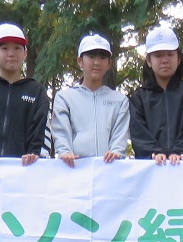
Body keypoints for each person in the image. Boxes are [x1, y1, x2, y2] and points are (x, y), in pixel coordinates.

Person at [0, 22, 47, 164]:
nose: (11, 54)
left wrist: (35, 154)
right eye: (4, 48)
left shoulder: (37, 91)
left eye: (17, 48)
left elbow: (41, 129)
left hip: (25, 171)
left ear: (25, 53)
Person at [51, 33, 130, 165]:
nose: (97, 62)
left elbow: (120, 138)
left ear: (109, 63)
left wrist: (116, 152)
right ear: (80, 61)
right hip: (74, 168)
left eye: (102, 57)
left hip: (109, 169)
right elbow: (61, 132)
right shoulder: (65, 98)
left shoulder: (120, 101)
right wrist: (65, 152)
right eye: (91, 56)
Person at [128, 25, 183, 164]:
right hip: (151, 169)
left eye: (170, 54)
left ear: (179, 59)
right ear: (149, 61)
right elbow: (138, 132)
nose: (165, 60)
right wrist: (154, 152)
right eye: (158, 55)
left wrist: (180, 151)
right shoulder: (138, 97)